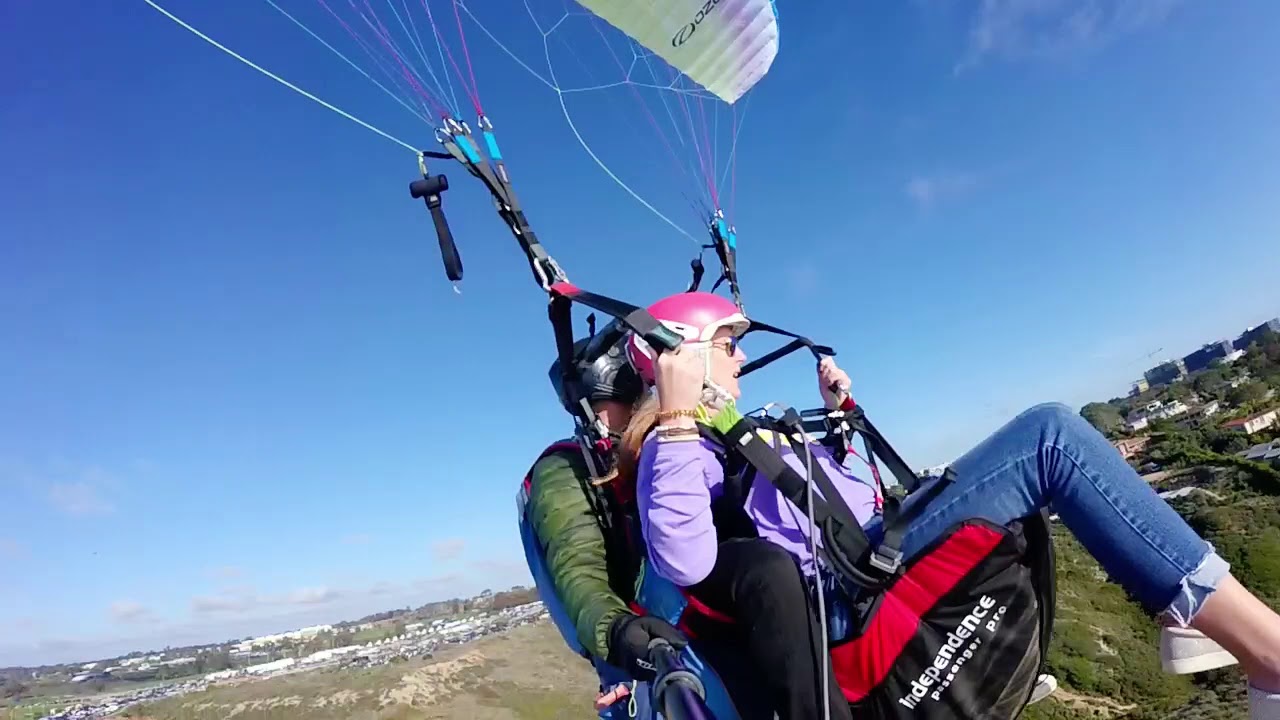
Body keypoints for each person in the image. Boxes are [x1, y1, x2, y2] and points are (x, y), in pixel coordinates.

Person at [618, 290, 1280, 720]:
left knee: (1043, 451)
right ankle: (1262, 653)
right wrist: (675, 416)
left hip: (870, 548)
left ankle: (1208, 619)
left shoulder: (735, 429)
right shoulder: (677, 447)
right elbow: (685, 558)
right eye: (728, 346)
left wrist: (840, 420)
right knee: (1049, 438)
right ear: (683, 354)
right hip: (850, 597)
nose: (738, 362)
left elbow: (851, 499)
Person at [523, 329, 689, 701]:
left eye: (642, 393)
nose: (641, 405)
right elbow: (578, 569)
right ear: (591, 409)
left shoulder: (642, 456)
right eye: (627, 398)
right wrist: (617, 632)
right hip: (640, 654)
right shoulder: (563, 472)